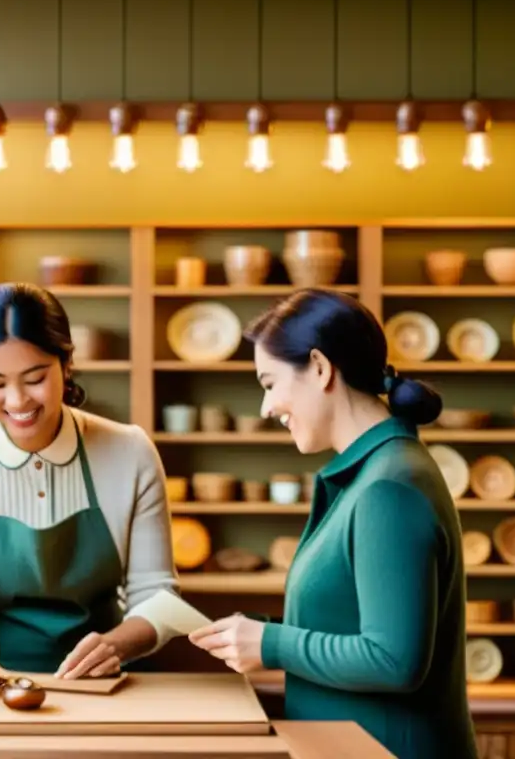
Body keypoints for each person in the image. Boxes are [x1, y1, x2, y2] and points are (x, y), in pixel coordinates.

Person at [188, 289, 478, 759]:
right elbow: (351, 625)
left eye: (269, 383)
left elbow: (393, 660)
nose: (265, 408)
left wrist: (273, 644)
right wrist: (258, 633)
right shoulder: (377, 474)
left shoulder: (389, 488)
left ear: (320, 369)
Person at [0, 282, 179, 680]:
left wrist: (115, 645)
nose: (17, 401)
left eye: (34, 378)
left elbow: (160, 597)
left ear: (66, 364)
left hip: (107, 684)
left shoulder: (130, 452)